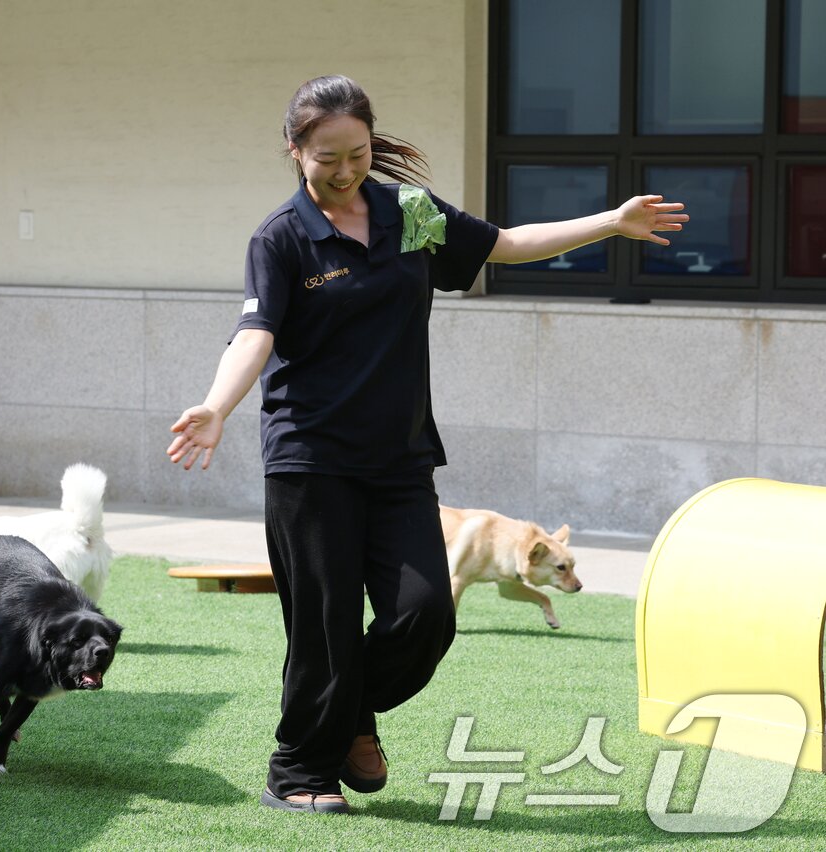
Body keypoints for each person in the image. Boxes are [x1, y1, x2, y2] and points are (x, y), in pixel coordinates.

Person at [166, 75, 687, 815]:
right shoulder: (281, 239)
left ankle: (344, 717)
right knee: (325, 627)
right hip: (310, 460)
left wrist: (609, 221)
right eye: (325, 158)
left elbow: (501, 244)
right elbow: (256, 333)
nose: (345, 171)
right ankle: (298, 770)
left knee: (426, 615)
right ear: (294, 151)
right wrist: (217, 406)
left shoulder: (406, 211)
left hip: (400, 460)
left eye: (357, 153)